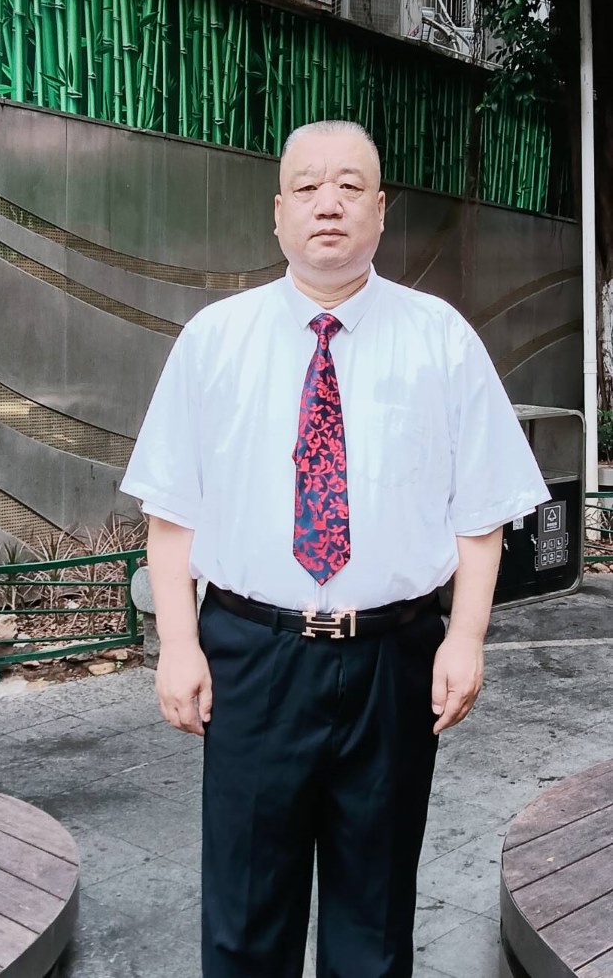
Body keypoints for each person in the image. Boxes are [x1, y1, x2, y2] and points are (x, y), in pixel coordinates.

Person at [121, 120, 550, 978]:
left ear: (380, 210)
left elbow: (480, 514)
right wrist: (177, 645)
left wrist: (466, 638)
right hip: (252, 657)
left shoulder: (441, 339)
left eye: (350, 186)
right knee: (246, 921)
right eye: (308, 187)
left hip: (394, 658)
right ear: (278, 213)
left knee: (374, 924)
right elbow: (172, 513)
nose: (329, 204)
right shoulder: (214, 339)